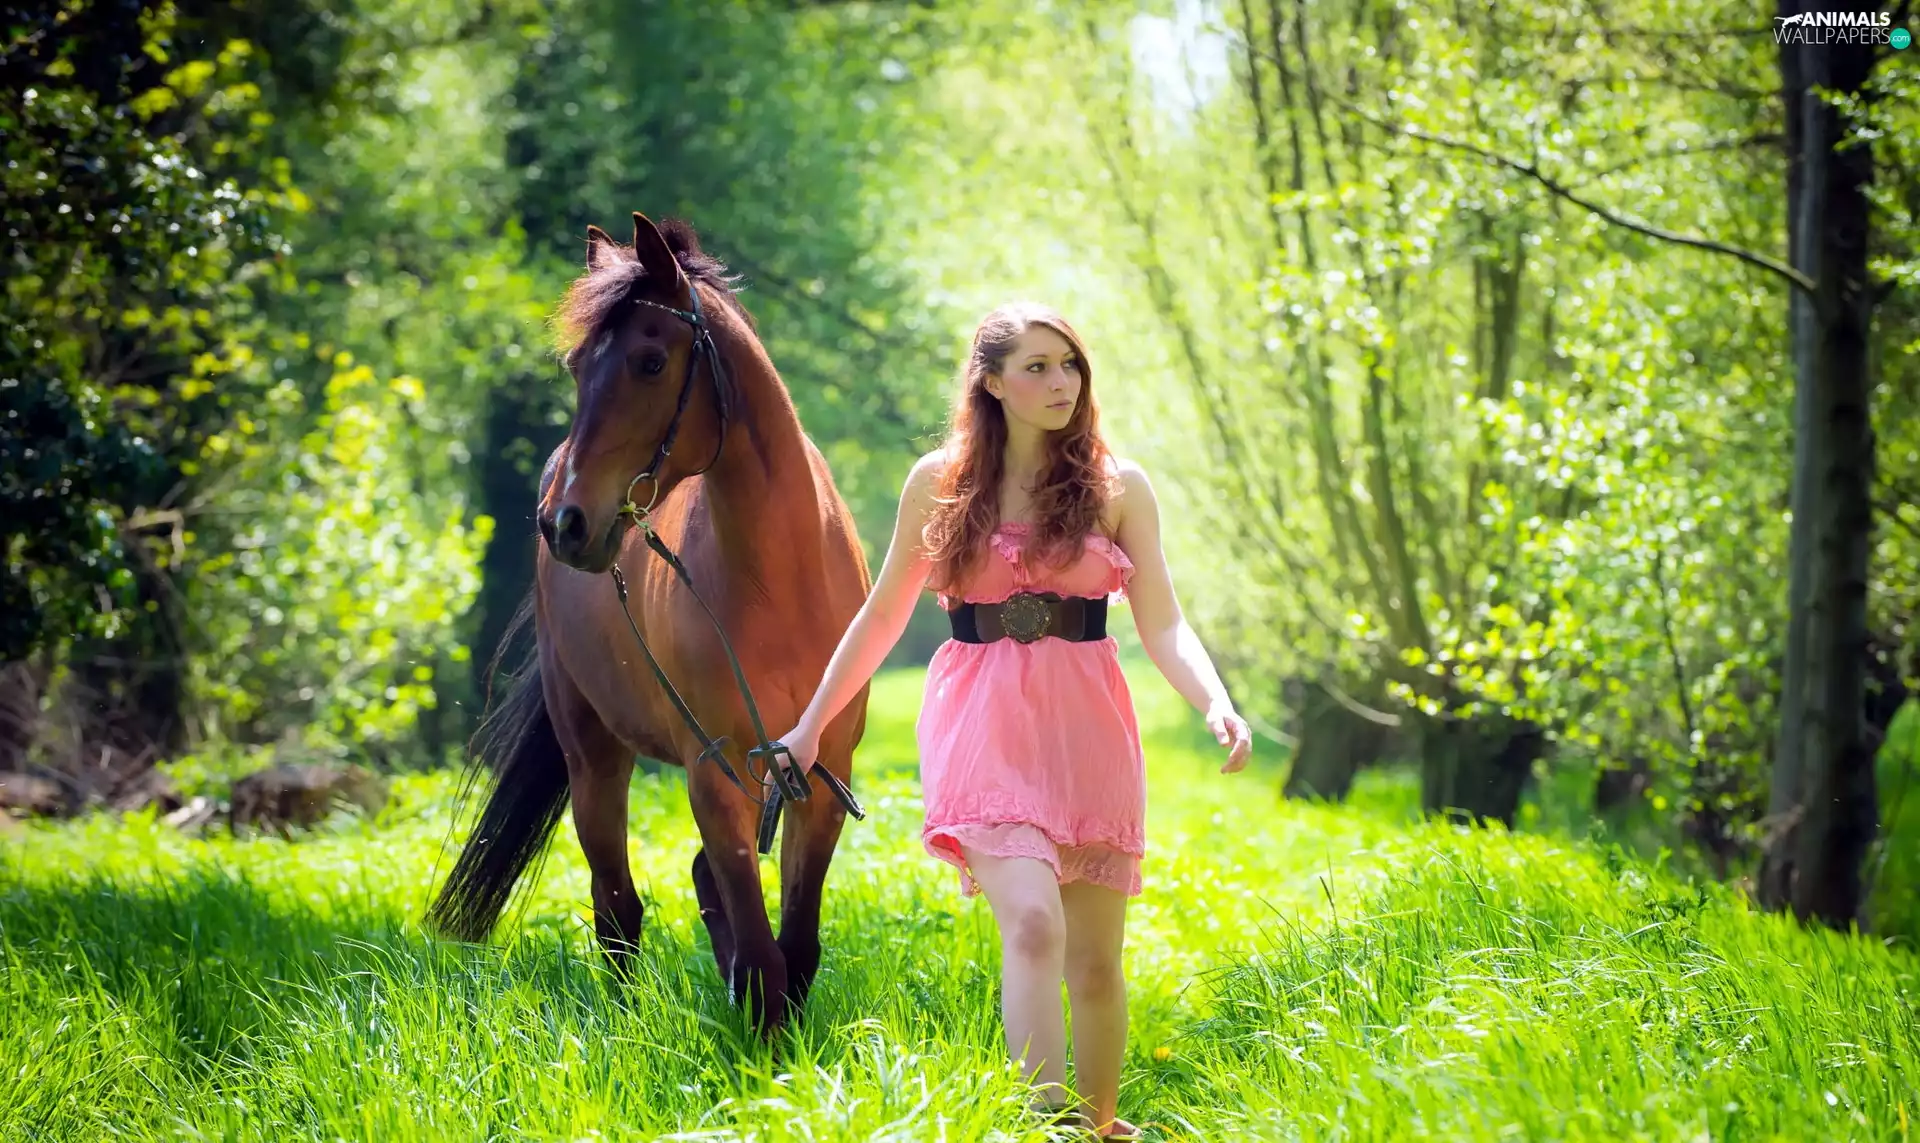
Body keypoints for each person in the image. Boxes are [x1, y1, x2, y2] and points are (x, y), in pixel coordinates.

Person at [775, 301, 1252, 1140]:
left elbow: (1164, 621)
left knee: (1097, 964)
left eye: (1070, 364)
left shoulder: (1116, 486)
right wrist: (811, 724)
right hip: (982, 722)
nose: (1060, 381)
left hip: (1088, 729)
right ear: (991, 383)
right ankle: (1045, 1125)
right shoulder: (940, 481)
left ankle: (1100, 1124)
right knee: (1033, 921)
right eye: (1037, 366)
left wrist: (1212, 699)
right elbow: (881, 616)